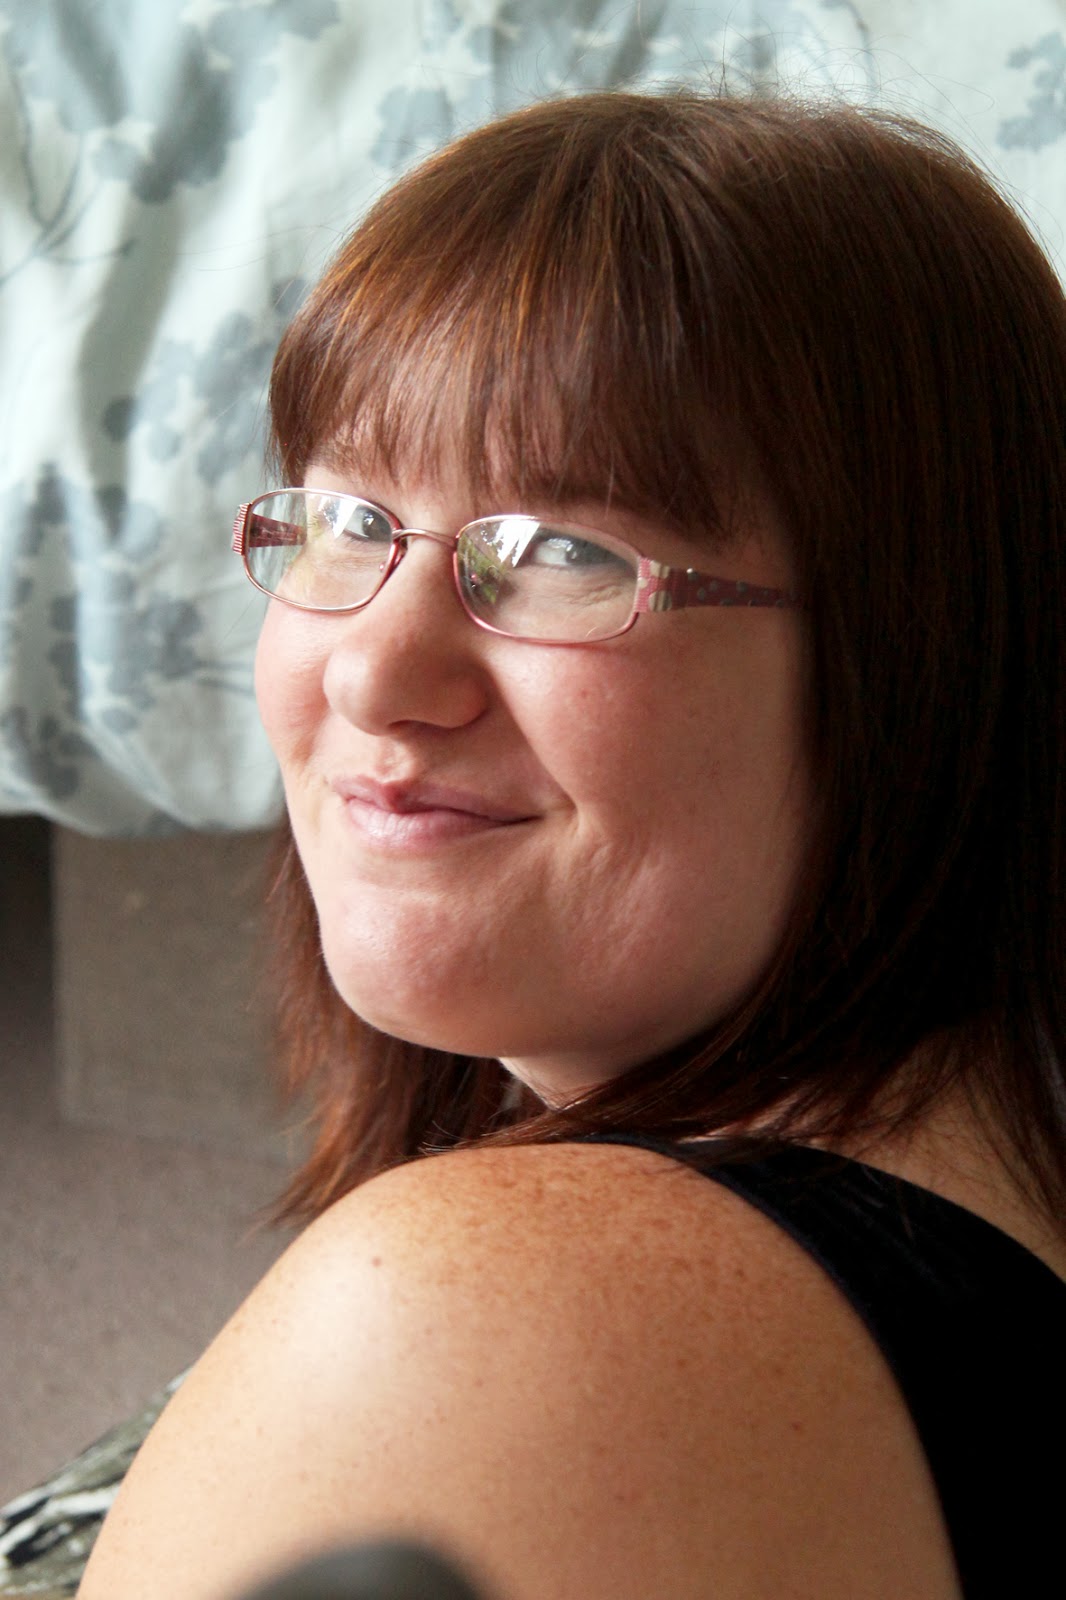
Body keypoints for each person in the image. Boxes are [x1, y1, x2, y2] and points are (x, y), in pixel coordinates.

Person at [78, 90, 1066, 1600]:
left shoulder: (481, 1320)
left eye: (560, 555)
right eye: (347, 521)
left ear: (922, 663)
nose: (372, 672)